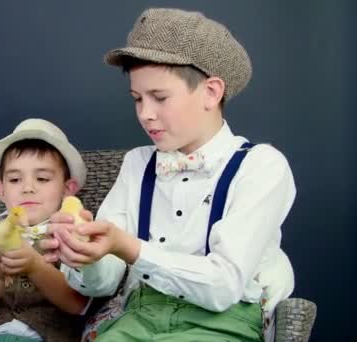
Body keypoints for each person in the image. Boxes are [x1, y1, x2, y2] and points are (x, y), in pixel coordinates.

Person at [42, 8, 295, 342]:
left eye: (159, 97)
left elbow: (223, 286)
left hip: (222, 321)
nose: (145, 114)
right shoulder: (137, 164)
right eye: (137, 99)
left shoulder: (262, 166)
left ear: (211, 92)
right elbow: (102, 283)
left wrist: (130, 248)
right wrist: (83, 253)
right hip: (137, 317)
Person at [0, 118, 90, 341]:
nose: (28, 188)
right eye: (15, 179)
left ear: (68, 189)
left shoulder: (73, 228)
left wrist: (35, 266)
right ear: (1, 190)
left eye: (42, 178)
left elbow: (78, 303)